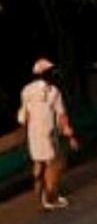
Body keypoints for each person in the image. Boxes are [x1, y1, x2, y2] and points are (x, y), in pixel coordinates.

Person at [18, 57, 76, 210]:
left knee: (38, 164)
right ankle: (51, 198)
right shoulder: (54, 92)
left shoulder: (26, 90)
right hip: (47, 134)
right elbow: (62, 116)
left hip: (33, 134)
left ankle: (40, 196)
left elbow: (24, 116)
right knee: (52, 165)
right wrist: (70, 135)